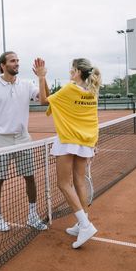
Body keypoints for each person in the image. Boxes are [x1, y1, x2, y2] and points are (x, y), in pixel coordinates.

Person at [33, 57, 101, 248]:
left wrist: (40, 77)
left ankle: (86, 225)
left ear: (78, 71)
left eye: (72, 69)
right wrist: (95, 143)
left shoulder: (70, 89)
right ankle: (82, 222)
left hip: (68, 140)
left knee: (63, 184)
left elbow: (44, 100)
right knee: (79, 182)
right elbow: (94, 119)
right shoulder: (92, 91)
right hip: (86, 141)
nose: (70, 71)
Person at [0, 51, 48, 232]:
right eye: (13, 61)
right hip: (2, 139)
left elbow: (44, 100)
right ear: (3, 65)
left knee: (30, 177)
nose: (17, 63)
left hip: (24, 138)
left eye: (18, 60)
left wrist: (42, 78)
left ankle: (32, 215)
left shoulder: (27, 84)